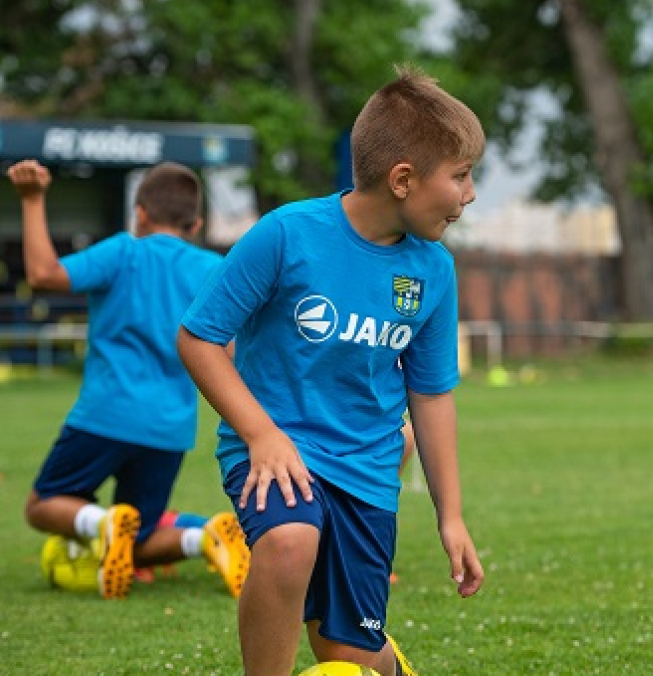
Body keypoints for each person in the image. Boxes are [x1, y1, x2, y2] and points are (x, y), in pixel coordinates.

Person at [177, 65, 486, 676]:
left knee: (346, 653)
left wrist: (449, 516)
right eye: (460, 175)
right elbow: (199, 339)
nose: (470, 193)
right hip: (275, 450)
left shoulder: (433, 271)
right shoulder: (287, 235)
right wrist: (262, 435)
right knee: (290, 541)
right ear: (403, 180)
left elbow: (430, 396)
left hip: (368, 476)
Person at [7, 159, 250, 600]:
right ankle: (204, 537)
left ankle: (100, 522)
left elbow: (44, 275)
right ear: (195, 224)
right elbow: (234, 352)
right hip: (170, 429)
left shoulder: (123, 252)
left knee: (43, 506)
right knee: (136, 539)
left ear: (139, 213)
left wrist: (32, 198)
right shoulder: (211, 267)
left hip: (106, 414)